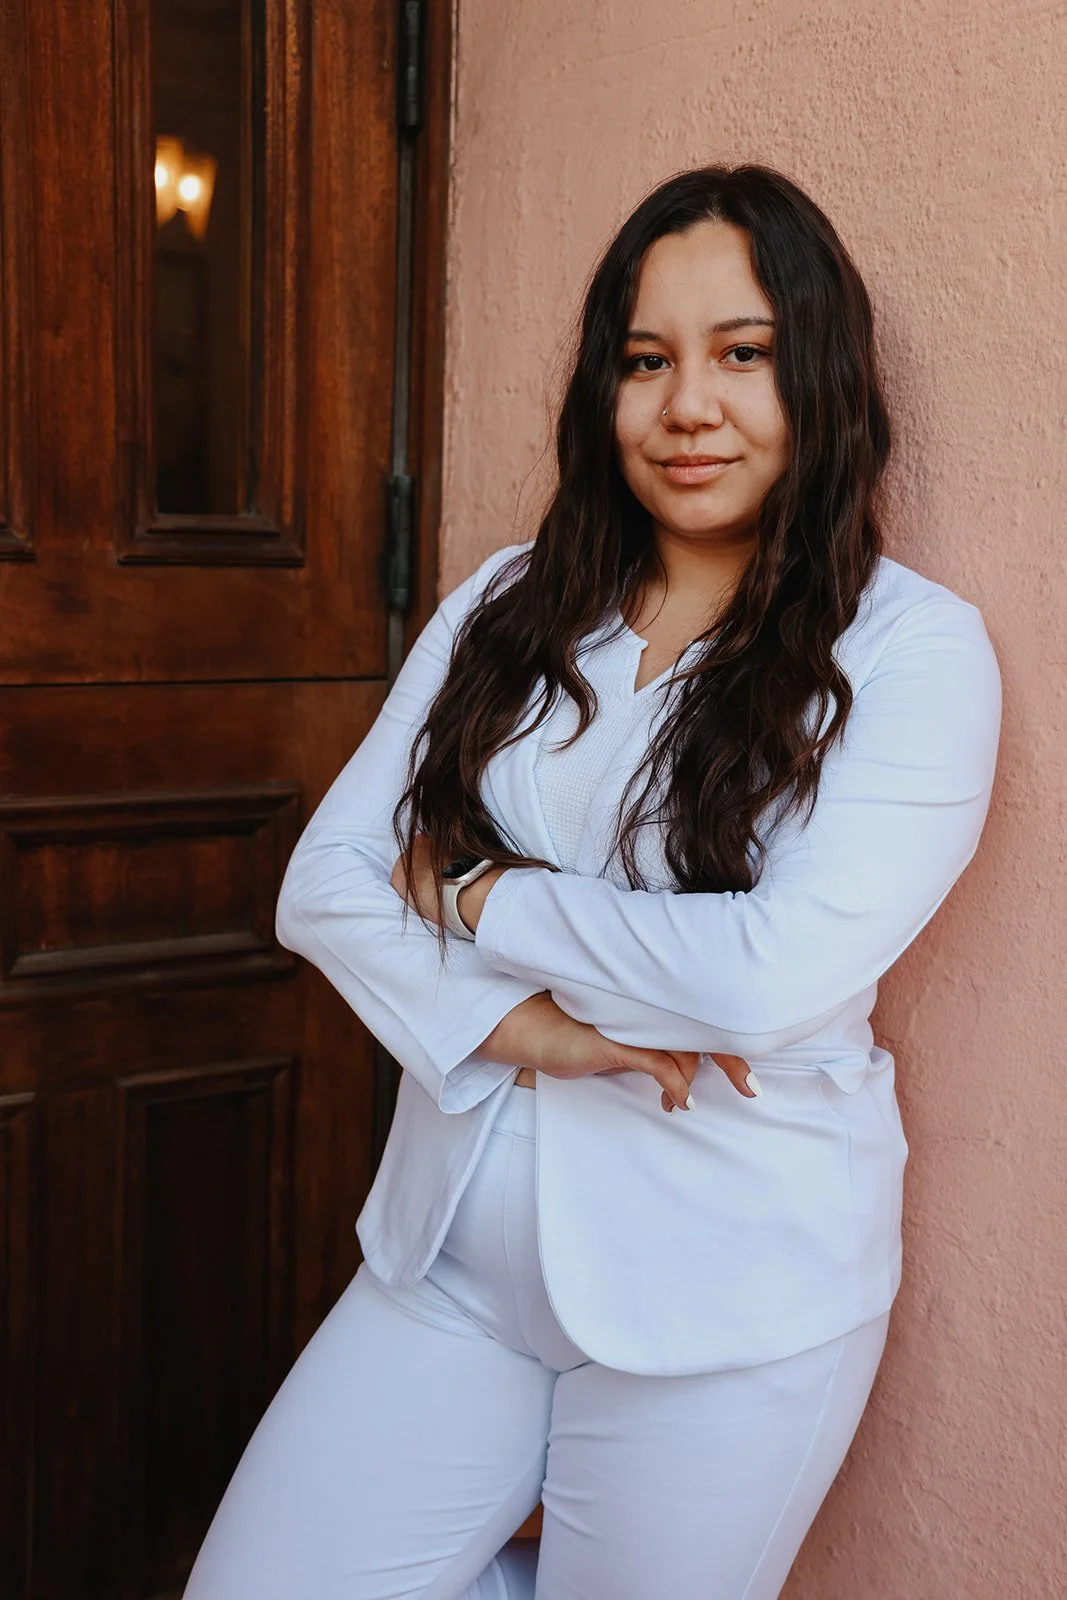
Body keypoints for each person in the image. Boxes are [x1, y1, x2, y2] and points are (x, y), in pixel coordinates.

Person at [183, 165, 1001, 1600]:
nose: (688, 405)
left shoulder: (914, 654)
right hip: (444, 1260)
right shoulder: (507, 605)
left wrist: (477, 896)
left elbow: (767, 976)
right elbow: (319, 882)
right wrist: (517, 1025)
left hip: (730, 1300)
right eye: (645, 361)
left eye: (741, 354)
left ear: (817, 372)